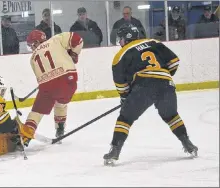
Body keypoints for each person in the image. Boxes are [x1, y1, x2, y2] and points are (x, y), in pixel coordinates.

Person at [103, 23, 198, 166]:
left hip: (143, 86)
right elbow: (174, 62)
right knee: (171, 116)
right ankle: (188, 143)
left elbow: (121, 84)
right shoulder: (154, 42)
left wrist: (125, 98)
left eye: (121, 39)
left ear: (126, 38)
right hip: (166, 84)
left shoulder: (120, 55)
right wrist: (162, 76)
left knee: (125, 118)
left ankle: (115, 150)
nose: (120, 42)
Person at [17, 30, 83, 147]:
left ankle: (25, 137)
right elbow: (78, 40)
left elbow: (41, 78)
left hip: (47, 86)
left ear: (37, 42)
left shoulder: (32, 59)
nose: (31, 48)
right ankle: (60, 129)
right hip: (68, 80)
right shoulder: (56, 39)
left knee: (37, 112)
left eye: (31, 45)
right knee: (61, 103)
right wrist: (73, 54)